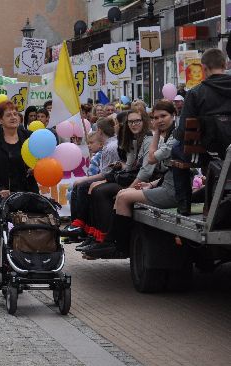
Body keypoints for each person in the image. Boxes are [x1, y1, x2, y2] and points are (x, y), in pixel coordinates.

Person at [84, 101, 178, 258]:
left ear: (173, 116)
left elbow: (151, 160)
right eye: (156, 117)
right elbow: (132, 166)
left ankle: (117, 245)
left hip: (172, 189)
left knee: (120, 195)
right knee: (112, 192)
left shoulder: (171, 136)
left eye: (163, 116)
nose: (160, 120)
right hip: (162, 182)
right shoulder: (148, 137)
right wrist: (150, 184)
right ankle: (108, 241)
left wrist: (154, 132)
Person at [173, 48, 231, 215]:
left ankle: (184, 205)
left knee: (176, 150)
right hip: (228, 149)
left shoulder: (196, 93)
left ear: (204, 68)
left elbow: (183, 130)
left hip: (208, 152)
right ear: (225, 64)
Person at [0, 100, 38, 213]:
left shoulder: (30, 137)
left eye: (15, 114)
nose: (13, 117)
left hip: (29, 195)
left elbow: (40, 159)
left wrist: (36, 169)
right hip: (4, 198)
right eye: (8, 115)